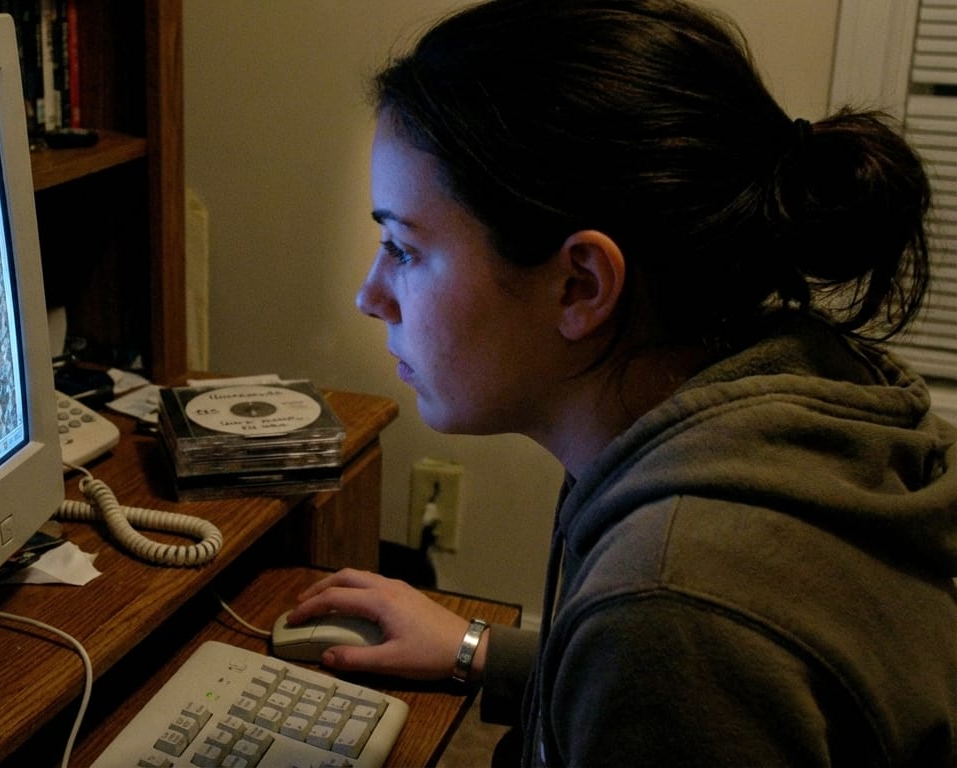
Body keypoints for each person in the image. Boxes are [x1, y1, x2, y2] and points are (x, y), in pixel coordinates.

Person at [283, 0, 957, 765]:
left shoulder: (673, 605)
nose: (370, 295)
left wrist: (633, 636)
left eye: (403, 248)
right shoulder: (794, 391)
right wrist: (479, 647)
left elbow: (682, 642)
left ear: (579, 285)